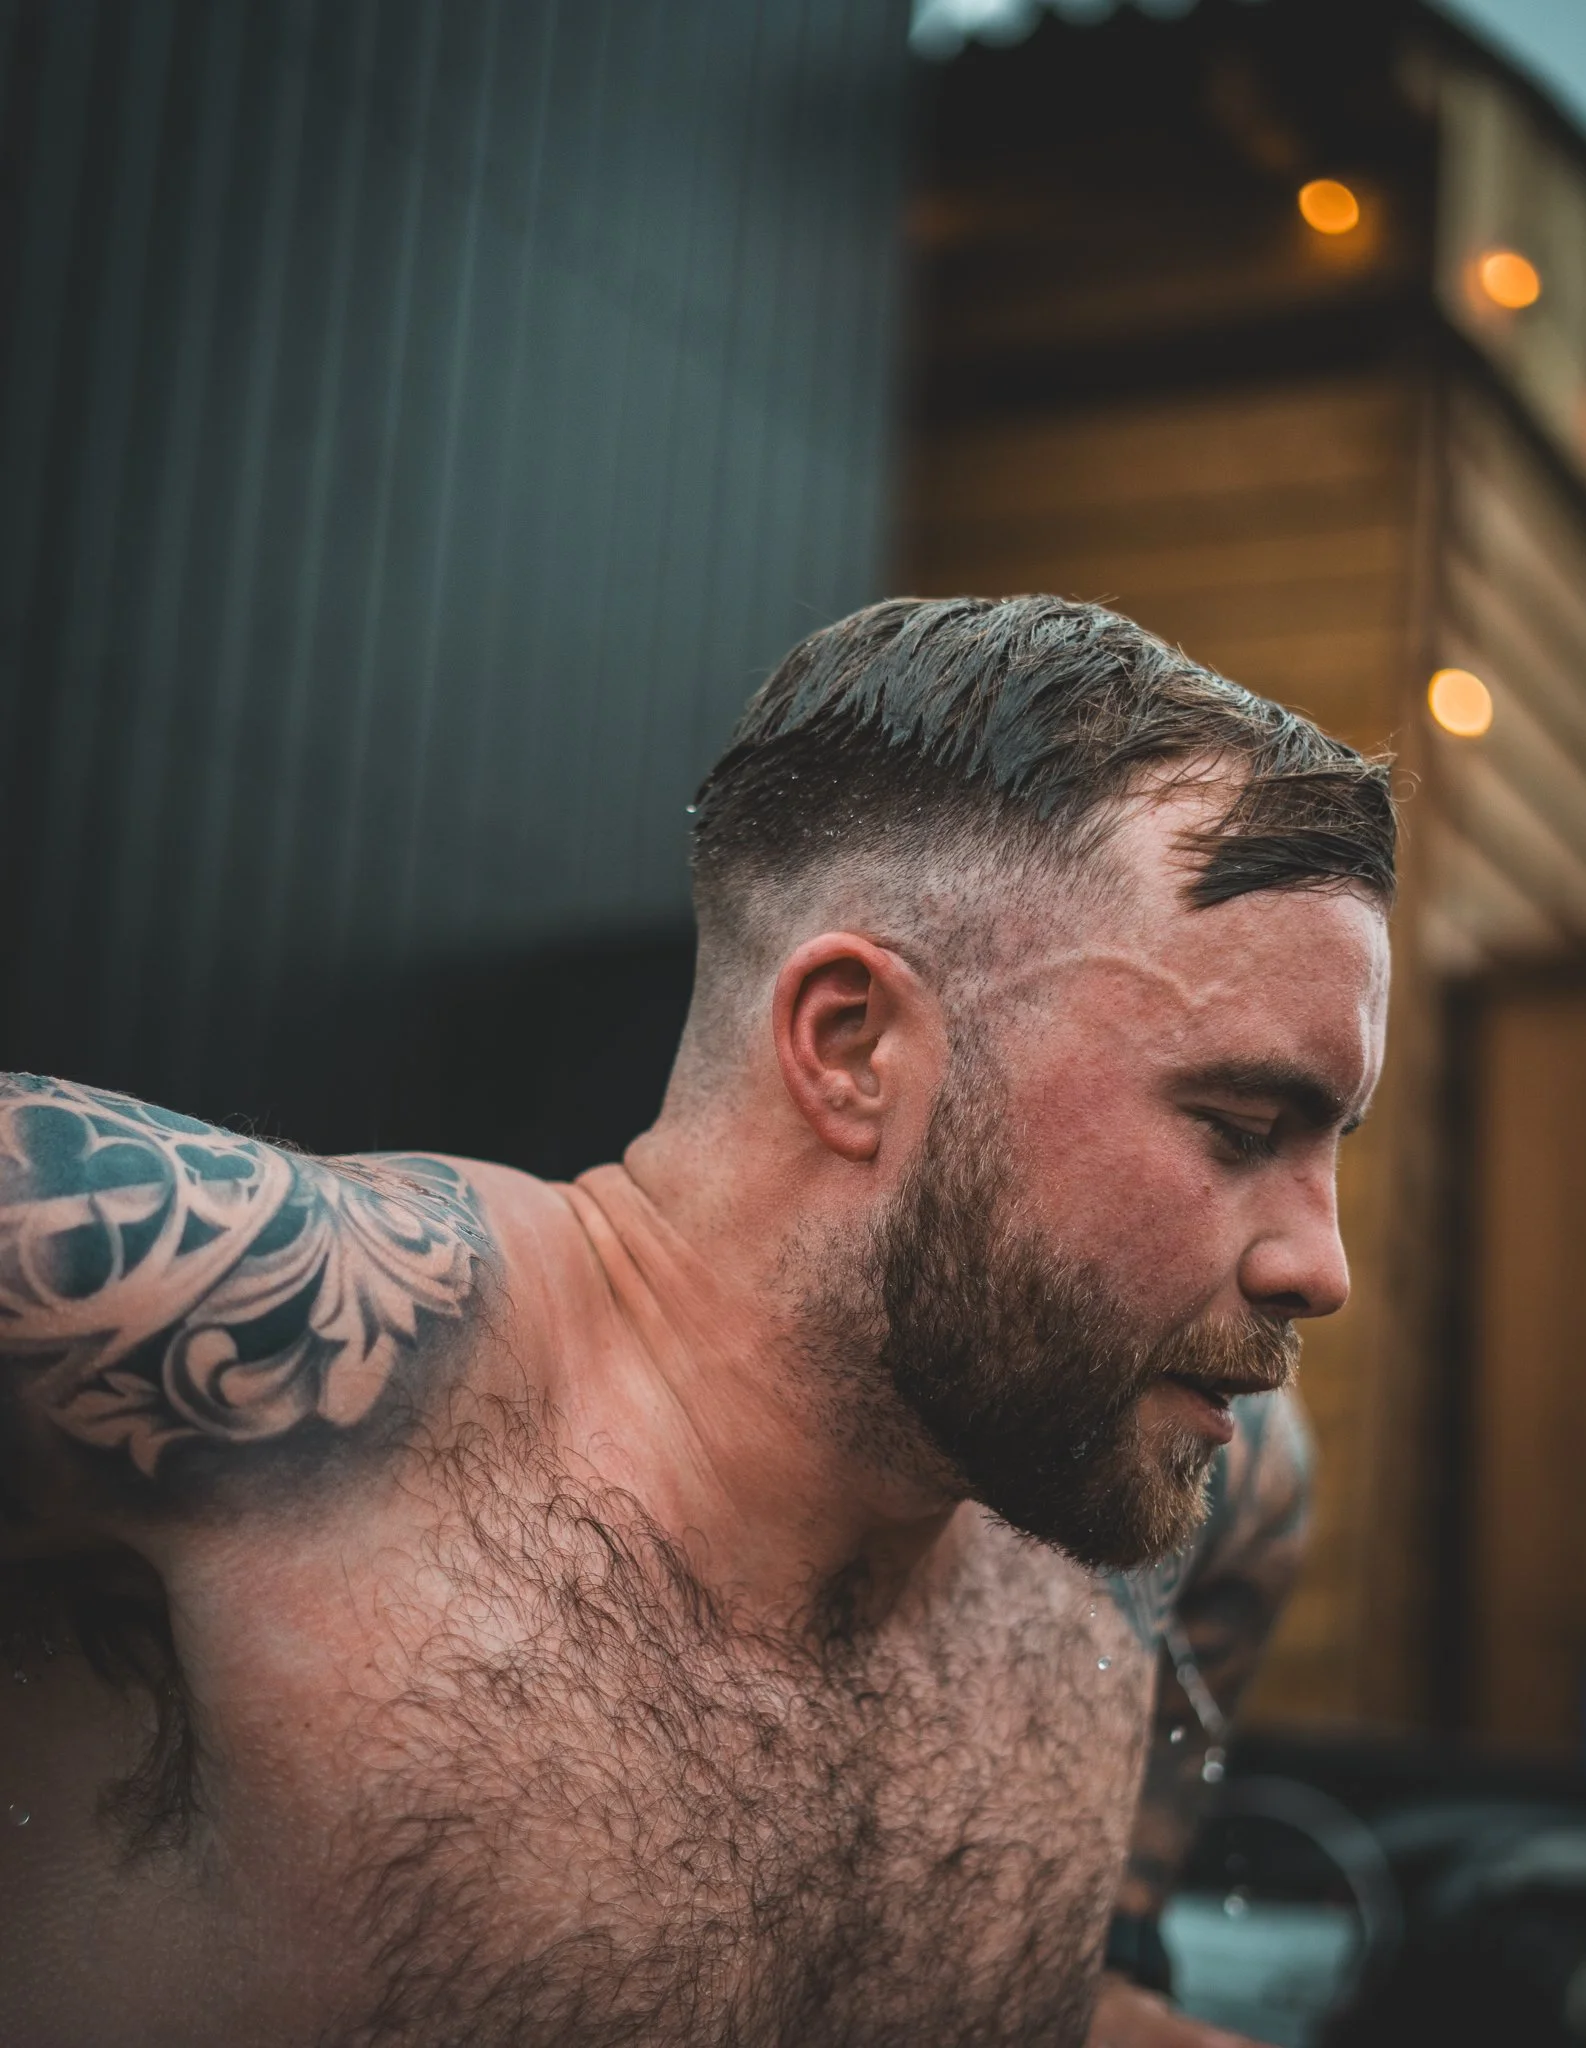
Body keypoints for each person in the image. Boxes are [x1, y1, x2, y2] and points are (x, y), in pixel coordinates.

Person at [0, 596, 1391, 2047]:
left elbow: (1065, 1996)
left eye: (1332, 1143)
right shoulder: (238, 1327)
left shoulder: (1209, 1493)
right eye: (1241, 1128)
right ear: (851, 1046)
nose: (1321, 1264)